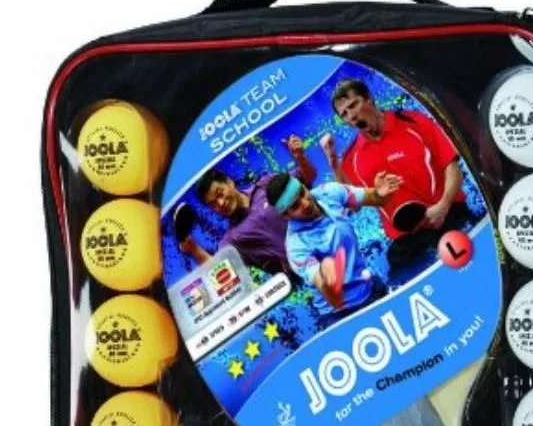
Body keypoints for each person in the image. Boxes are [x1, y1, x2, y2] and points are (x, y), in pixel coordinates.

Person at [321, 79, 474, 266]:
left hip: (447, 214)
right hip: (407, 240)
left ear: (369, 98)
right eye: (344, 114)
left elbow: (453, 168)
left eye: (353, 105)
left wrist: (443, 205)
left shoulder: (414, 122)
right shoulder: (352, 158)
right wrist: (333, 163)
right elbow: (353, 205)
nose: (351, 116)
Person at [172, 135, 316, 276]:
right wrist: (194, 249)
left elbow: (308, 177)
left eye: (220, 193)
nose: (221, 203)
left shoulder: (265, 184)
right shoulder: (233, 239)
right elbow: (219, 270)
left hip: (322, 235)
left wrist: (299, 156)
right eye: (213, 204)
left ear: (229, 182)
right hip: (308, 272)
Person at [265, 172, 399, 320]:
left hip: (369, 287)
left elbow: (374, 198)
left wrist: (379, 193)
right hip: (341, 314)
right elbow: (331, 297)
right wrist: (327, 278)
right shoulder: (296, 246)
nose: (306, 203)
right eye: (296, 206)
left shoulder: (329, 192)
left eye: (302, 193)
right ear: (286, 215)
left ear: (304, 186)